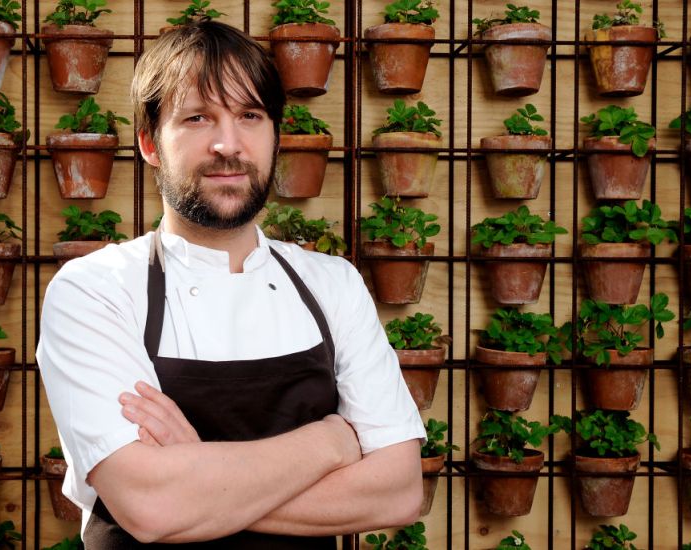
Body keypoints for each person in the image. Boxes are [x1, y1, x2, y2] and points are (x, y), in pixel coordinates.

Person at [37, 19, 426, 548]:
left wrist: (195, 477)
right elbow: (150, 507)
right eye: (197, 117)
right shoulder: (94, 291)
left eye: (250, 116)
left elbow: (398, 491)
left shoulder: (334, 286)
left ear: (275, 135)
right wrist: (332, 442)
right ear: (150, 142)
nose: (228, 144)